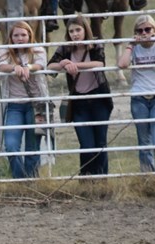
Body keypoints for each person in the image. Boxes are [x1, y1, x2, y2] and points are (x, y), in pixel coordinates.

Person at [48, 15, 113, 175]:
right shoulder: (66, 48)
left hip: (99, 99)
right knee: (86, 145)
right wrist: (63, 63)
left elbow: (100, 63)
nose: (75, 34)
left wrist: (75, 65)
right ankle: (86, 179)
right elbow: (50, 66)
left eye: (78, 30)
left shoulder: (95, 44)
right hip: (79, 102)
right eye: (71, 31)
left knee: (100, 143)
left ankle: (101, 179)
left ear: (85, 30)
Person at [118, 14, 155, 173]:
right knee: (144, 142)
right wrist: (131, 44)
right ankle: (147, 176)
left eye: (148, 29)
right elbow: (122, 64)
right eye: (139, 30)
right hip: (139, 98)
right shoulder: (134, 47)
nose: (144, 33)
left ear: (154, 29)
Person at [0, 21, 47, 179]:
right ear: (11, 38)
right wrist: (14, 67)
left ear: (30, 36)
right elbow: (1, 66)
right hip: (14, 105)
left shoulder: (38, 49)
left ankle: (30, 181)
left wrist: (28, 67)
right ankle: (19, 179)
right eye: (16, 35)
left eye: (24, 35)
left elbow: (40, 65)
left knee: (33, 146)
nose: (20, 38)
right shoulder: (5, 51)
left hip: (35, 104)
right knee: (11, 145)